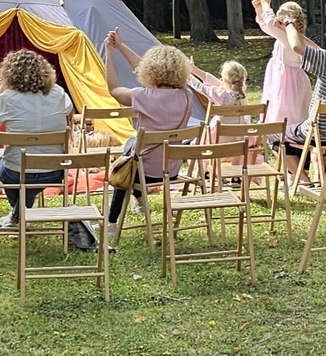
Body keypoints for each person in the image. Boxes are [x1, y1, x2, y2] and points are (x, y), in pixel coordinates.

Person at [103, 29, 193, 244]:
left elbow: (113, 89)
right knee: (131, 147)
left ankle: (112, 222)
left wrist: (110, 53)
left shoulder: (143, 96)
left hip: (145, 170)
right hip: (170, 169)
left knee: (126, 162)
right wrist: (122, 47)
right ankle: (140, 200)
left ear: (149, 71)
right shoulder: (187, 95)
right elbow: (142, 70)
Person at [0, 50, 73, 229]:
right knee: (28, 177)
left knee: (4, 168)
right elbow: (68, 110)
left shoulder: (8, 97)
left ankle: (17, 216)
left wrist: (3, 86)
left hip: (16, 171)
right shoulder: (58, 93)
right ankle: (18, 215)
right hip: (54, 170)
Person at [267, 19, 326, 178]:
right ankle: (319, 179)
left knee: (274, 135)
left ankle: (303, 179)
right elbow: (316, 50)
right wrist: (289, 31)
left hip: (320, 132)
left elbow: (297, 47)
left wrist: (289, 24)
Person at [252, 0, 313, 133]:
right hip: (291, 78)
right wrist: (259, 9)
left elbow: (269, 23)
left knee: (285, 112)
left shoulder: (287, 36)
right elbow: (267, 27)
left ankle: (286, 141)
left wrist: (265, 4)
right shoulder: (288, 34)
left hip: (286, 80)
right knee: (289, 110)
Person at [188, 59, 248, 142]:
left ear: (224, 80)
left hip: (220, 137)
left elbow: (200, 87)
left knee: (197, 140)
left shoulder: (221, 95)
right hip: (239, 136)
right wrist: (195, 70)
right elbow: (217, 83)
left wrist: (187, 75)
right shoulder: (241, 91)